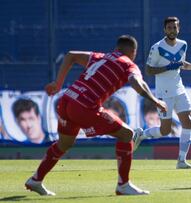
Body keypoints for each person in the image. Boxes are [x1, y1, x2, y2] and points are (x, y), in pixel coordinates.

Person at [24, 35, 167, 196]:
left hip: (66, 100)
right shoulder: (128, 64)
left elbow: (70, 55)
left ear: (116, 48)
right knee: (127, 134)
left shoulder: (101, 57)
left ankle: (36, 180)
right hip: (84, 106)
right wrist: (155, 100)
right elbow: (136, 82)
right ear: (133, 52)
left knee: (63, 144)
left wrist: (58, 83)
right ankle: (123, 185)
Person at [133, 16, 191, 169]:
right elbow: (149, 69)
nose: (172, 30)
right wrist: (167, 67)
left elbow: (181, 64)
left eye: (175, 27)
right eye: (169, 28)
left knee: (188, 122)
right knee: (165, 130)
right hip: (163, 93)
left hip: (179, 89)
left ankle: (181, 161)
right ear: (164, 29)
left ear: (179, 29)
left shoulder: (183, 44)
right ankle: (142, 134)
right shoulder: (157, 47)